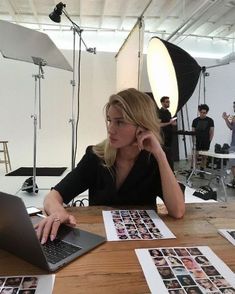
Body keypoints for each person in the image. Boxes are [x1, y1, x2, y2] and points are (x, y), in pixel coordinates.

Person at [35, 88, 185, 244]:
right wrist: (58, 213)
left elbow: (178, 211)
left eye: (120, 122)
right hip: (99, 242)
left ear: (142, 126)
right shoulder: (96, 156)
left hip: (142, 244)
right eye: (109, 120)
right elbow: (53, 197)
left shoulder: (156, 158)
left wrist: (160, 155)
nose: (110, 129)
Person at [192, 104, 214, 178]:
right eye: (201, 112)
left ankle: (202, 170)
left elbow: (211, 132)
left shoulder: (210, 120)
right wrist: (194, 141)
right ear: (199, 112)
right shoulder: (195, 120)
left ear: (206, 112)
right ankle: (193, 169)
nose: (203, 114)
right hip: (197, 141)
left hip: (206, 141)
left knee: (204, 157)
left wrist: (209, 141)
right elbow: (193, 132)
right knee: (195, 155)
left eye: (204, 113)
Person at [222, 101, 235, 188]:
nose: (234, 108)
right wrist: (226, 119)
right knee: (232, 163)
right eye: (234, 107)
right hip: (233, 143)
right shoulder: (234, 117)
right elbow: (231, 127)